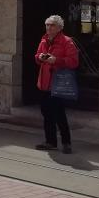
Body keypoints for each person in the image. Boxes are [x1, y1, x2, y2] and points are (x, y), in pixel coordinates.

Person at [35, 14, 79, 154]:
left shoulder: (67, 42)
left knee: (59, 113)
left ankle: (66, 143)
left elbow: (73, 62)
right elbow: (37, 57)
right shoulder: (44, 40)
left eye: (52, 25)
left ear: (59, 27)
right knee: (46, 112)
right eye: (47, 24)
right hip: (44, 83)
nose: (48, 27)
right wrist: (40, 57)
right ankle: (50, 141)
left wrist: (57, 60)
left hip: (58, 83)